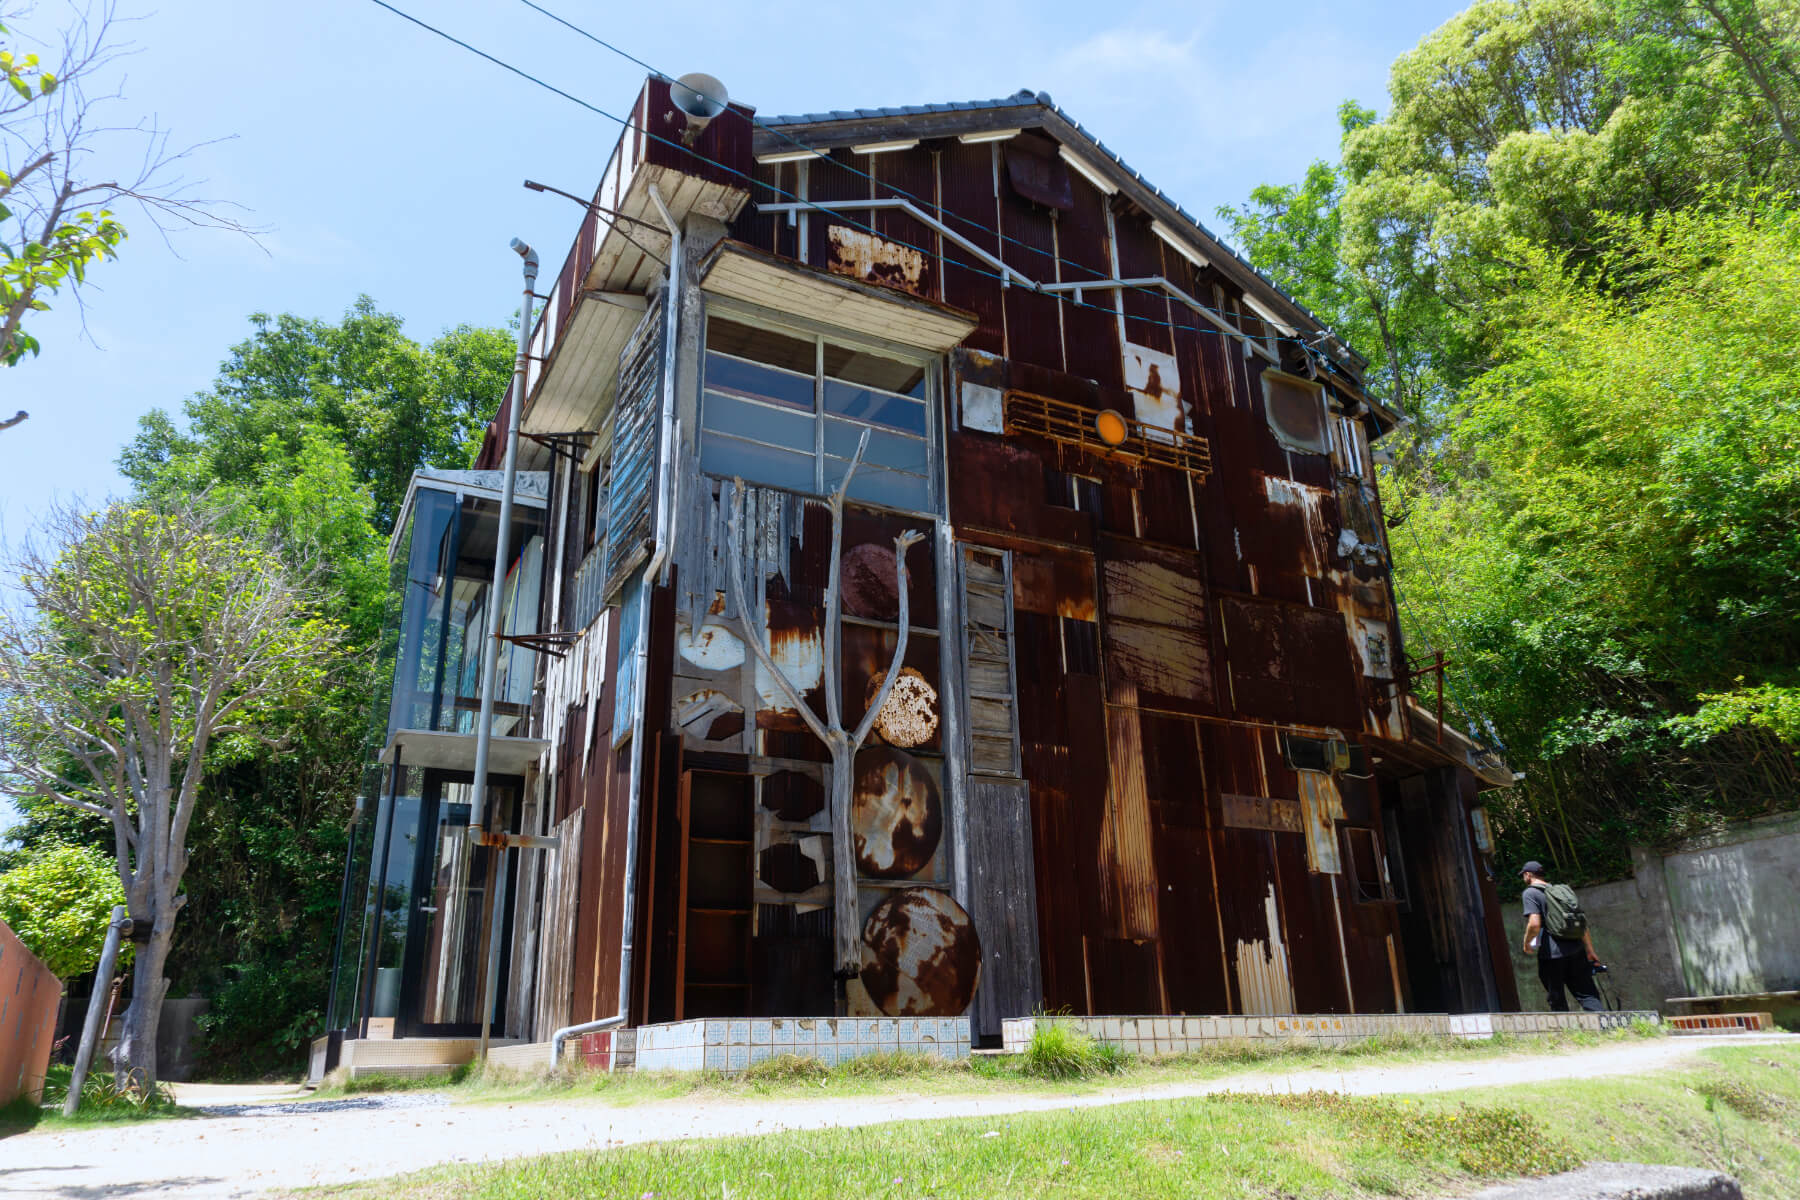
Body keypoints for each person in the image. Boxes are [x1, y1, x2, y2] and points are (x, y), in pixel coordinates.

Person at [1520, 861, 1605, 1012]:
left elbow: (1534, 924)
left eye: (1523, 876)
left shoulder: (1530, 893)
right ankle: (1606, 1026)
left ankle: (1566, 1032)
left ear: (1528, 875)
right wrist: (1590, 950)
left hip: (1552, 954)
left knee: (1556, 996)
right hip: (1576, 949)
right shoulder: (1561, 892)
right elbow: (1580, 922)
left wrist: (1527, 943)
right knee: (1587, 993)